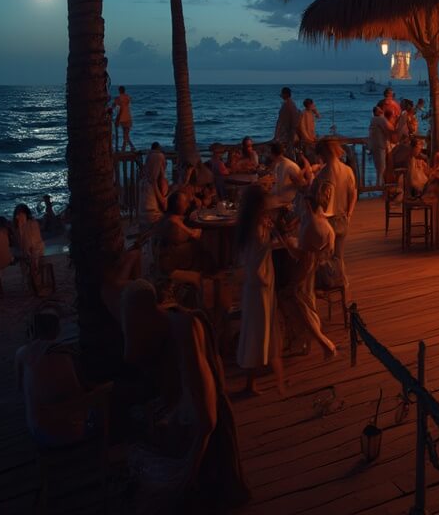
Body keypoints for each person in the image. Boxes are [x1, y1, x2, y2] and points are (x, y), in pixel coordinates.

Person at [118, 279, 249, 510]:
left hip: (203, 432)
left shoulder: (184, 330)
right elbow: (132, 355)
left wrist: (191, 466)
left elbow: (206, 413)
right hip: (189, 421)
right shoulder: (165, 328)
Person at [15, 305, 100, 447]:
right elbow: (85, 387)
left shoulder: (23, 354)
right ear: (57, 330)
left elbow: (19, 389)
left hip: (41, 433)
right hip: (77, 431)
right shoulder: (68, 354)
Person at [234, 184, 286, 395]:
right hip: (260, 284)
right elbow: (259, 252)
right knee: (258, 331)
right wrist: (270, 231)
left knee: (260, 330)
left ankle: (265, 381)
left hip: (260, 281)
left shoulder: (252, 224)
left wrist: (268, 227)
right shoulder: (255, 228)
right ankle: (259, 382)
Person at [278, 194, 338, 361]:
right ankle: (305, 340)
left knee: (297, 302)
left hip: (307, 267)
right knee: (304, 304)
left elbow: (302, 253)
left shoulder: (315, 225)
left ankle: (322, 342)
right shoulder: (321, 221)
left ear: (309, 206)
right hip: (314, 264)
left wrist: (285, 239)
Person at [313, 138, 357, 293]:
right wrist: (349, 214)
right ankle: (342, 286)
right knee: (339, 257)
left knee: (323, 258)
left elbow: (316, 201)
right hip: (342, 218)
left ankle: (327, 285)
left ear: (324, 153)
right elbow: (353, 194)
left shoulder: (322, 175)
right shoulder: (347, 171)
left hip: (326, 222)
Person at [155, 193, 215, 276]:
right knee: (201, 245)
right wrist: (200, 228)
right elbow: (195, 235)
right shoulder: (174, 222)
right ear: (176, 204)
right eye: (185, 202)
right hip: (169, 259)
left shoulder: (168, 216)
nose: (187, 204)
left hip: (163, 255)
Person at [14, 203, 46, 293]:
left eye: (20, 214)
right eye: (17, 214)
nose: (17, 217)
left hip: (35, 249)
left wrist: (31, 252)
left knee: (30, 262)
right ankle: (32, 283)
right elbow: (23, 243)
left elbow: (33, 241)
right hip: (33, 249)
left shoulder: (30, 224)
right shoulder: (22, 226)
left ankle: (34, 284)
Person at [139, 142, 169, 228]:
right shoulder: (161, 181)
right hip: (155, 218)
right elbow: (164, 206)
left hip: (141, 218)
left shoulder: (143, 181)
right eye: (165, 162)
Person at [270, 141, 307, 205]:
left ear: (272, 154)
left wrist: (297, 182)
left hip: (285, 201)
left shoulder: (290, 166)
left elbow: (302, 184)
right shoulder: (278, 164)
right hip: (278, 198)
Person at [368, 105, 396, 185]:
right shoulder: (379, 119)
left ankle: (379, 183)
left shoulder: (373, 120)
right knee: (382, 167)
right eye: (380, 110)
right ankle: (380, 185)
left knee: (378, 166)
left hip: (375, 145)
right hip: (380, 145)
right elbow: (389, 128)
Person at [274, 87, 300, 157]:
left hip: (287, 133)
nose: (281, 96)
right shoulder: (289, 104)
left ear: (285, 94)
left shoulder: (289, 104)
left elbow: (293, 120)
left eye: (282, 94)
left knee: (287, 151)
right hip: (286, 132)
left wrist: (292, 133)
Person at [111, 85, 134, 150]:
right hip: (128, 117)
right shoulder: (128, 97)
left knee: (125, 134)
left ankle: (127, 147)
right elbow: (128, 104)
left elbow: (114, 106)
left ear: (119, 91)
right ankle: (127, 147)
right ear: (124, 90)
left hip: (122, 118)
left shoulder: (118, 98)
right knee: (126, 134)